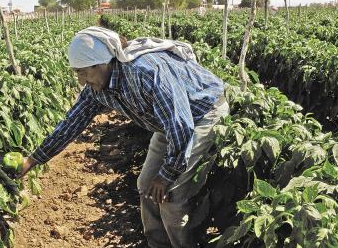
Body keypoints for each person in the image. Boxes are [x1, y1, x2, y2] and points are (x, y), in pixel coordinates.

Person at [17, 26, 230, 248]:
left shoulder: (144, 73)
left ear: (103, 63)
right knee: (146, 184)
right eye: (77, 73)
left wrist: (166, 176)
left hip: (203, 114)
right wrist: (32, 160)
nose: (81, 81)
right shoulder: (97, 88)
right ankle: (158, 244)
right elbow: (72, 123)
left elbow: (181, 123)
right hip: (170, 123)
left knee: (171, 195)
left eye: (84, 72)